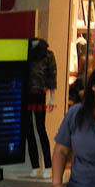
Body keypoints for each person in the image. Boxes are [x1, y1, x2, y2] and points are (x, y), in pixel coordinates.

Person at [24, 38, 57, 178]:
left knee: (41, 129)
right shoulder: (25, 52)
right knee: (28, 131)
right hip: (25, 93)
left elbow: (52, 75)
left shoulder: (48, 54)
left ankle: (48, 165)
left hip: (39, 93)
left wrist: (52, 98)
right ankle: (35, 165)